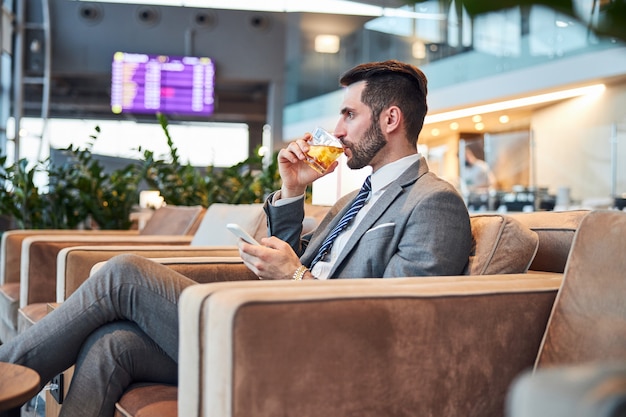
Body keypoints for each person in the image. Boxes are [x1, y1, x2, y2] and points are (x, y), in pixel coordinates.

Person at [0, 60, 472, 417]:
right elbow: (297, 255)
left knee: (123, 272)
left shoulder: (433, 202)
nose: (339, 130)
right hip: (273, 327)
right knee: (112, 344)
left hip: (318, 351)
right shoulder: (356, 196)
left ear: (390, 119)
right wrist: (293, 190)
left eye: (349, 114)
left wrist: (297, 278)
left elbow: (406, 325)